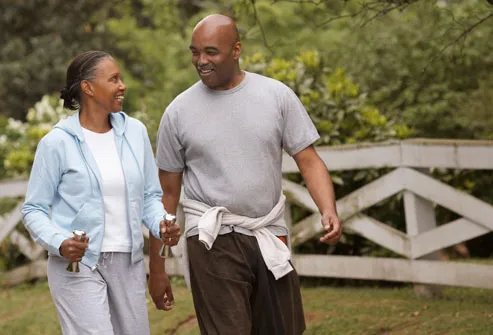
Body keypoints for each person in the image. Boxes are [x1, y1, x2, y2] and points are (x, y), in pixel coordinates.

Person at [149, 14, 343, 335]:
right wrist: (158, 267)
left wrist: (328, 209)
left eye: (211, 52)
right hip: (211, 238)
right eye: (195, 52)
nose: (201, 61)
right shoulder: (178, 112)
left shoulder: (276, 96)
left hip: (268, 232)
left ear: (237, 49)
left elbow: (308, 160)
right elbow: (165, 194)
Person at [21, 50, 180, 335]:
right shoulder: (56, 143)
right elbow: (33, 209)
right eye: (114, 79)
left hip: (127, 263)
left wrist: (161, 222)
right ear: (88, 88)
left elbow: (148, 197)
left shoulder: (135, 132)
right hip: (77, 266)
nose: (123, 86)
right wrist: (60, 242)